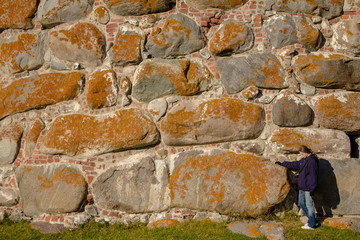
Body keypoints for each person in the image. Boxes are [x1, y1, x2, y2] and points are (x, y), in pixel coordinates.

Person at [275, 145, 319, 230]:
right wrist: (283, 163)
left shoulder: (312, 162)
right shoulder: (304, 160)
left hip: (308, 188)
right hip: (302, 186)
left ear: (306, 152)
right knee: (301, 203)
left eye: (302, 154)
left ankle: (312, 225)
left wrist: (312, 188)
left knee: (309, 205)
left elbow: (314, 176)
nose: (301, 155)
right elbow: (296, 164)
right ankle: (313, 220)